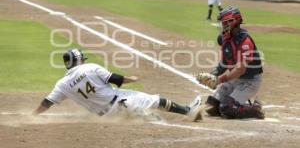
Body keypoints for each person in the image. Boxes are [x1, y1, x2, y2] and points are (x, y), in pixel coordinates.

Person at [33, 49, 203, 122]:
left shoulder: (62, 84)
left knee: (138, 108)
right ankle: (189, 111)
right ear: (79, 60)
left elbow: (46, 103)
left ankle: (141, 115)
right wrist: (133, 78)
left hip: (105, 115)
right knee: (155, 99)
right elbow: (116, 79)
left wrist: (32, 116)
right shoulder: (90, 67)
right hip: (120, 101)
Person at [196, 6, 264, 119]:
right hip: (235, 80)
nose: (223, 26)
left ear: (235, 21)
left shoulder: (245, 42)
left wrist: (219, 80)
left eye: (225, 23)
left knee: (228, 108)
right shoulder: (225, 39)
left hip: (249, 81)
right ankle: (237, 103)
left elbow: (239, 69)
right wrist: (212, 76)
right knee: (211, 107)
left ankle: (255, 109)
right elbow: (224, 64)